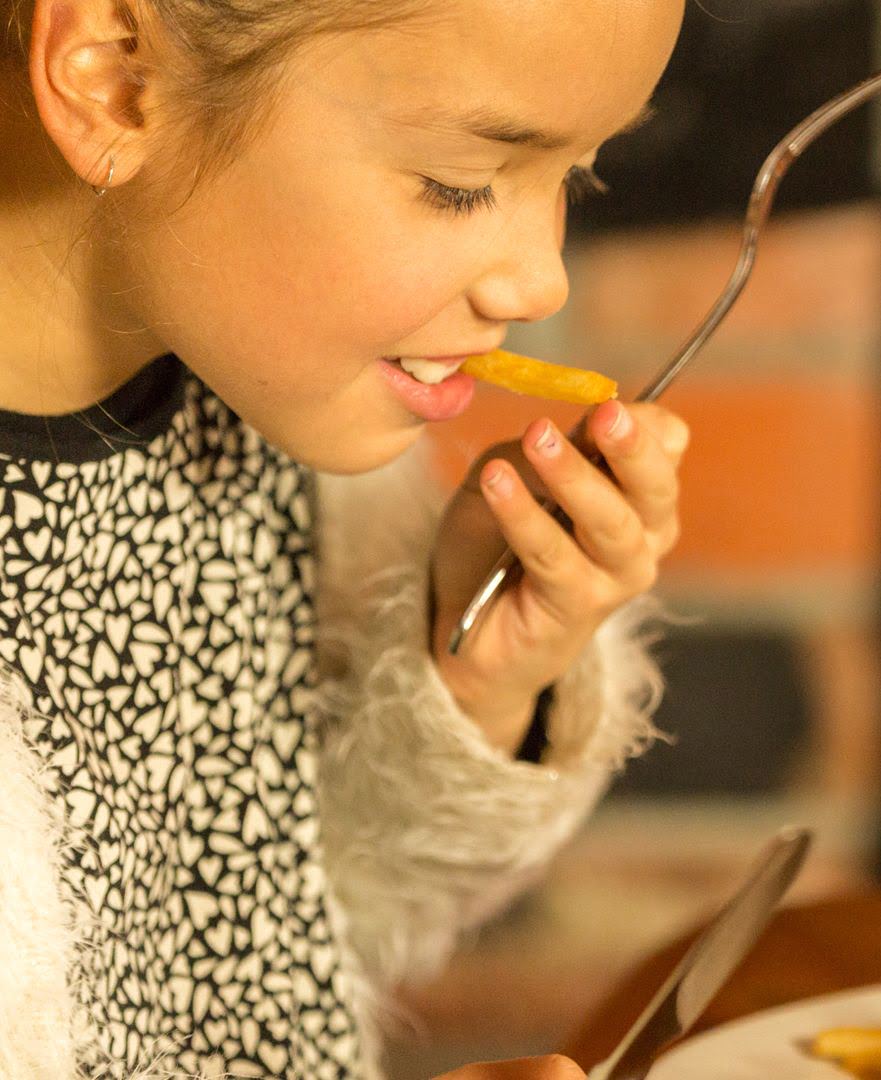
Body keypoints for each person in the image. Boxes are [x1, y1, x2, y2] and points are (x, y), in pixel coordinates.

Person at [0, 0, 689, 1076]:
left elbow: (281, 927)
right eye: (461, 182)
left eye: (577, 175)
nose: (542, 281)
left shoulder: (261, 393)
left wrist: (472, 690)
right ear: (115, 74)